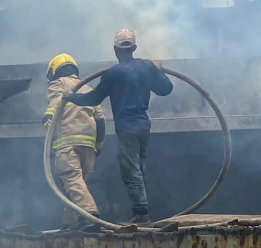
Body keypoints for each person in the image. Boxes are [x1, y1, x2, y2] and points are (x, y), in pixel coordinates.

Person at [65, 29, 173, 224]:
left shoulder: (113, 73)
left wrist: (71, 97)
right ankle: (142, 210)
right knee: (139, 168)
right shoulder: (146, 66)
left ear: (115, 49)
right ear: (135, 48)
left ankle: (141, 213)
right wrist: (158, 71)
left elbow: (93, 98)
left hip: (127, 128)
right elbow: (166, 89)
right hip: (143, 127)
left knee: (131, 170)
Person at [43, 53, 106, 231]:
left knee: (72, 181)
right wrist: (99, 146)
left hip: (68, 144)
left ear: (54, 71)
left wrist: (47, 115)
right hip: (89, 147)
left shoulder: (58, 83)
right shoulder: (87, 88)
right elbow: (100, 120)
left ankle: (91, 215)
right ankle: (70, 222)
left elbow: (56, 101)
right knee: (76, 185)